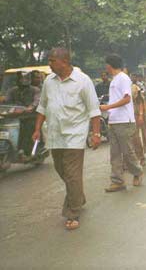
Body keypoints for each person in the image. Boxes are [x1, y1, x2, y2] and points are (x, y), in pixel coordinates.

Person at [32, 47, 101, 230]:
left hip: (75, 136)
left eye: (52, 60)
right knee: (62, 170)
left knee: (71, 174)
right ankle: (78, 196)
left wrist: (95, 134)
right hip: (55, 135)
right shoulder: (49, 81)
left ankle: (73, 213)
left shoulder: (83, 81)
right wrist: (37, 129)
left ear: (64, 61)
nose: (50, 63)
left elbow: (94, 110)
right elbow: (42, 106)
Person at [100, 54, 144, 192]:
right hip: (114, 120)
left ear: (109, 65)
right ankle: (118, 180)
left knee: (127, 151)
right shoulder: (114, 80)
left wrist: (108, 107)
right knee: (115, 153)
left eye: (106, 64)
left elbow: (127, 99)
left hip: (124, 120)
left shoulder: (123, 78)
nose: (105, 67)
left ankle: (137, 172)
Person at [6, 71, 41, 156]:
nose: (22, 80)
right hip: (14, 115)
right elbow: (7, 102)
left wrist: (30, 107)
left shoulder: (35, 90)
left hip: (30, 115)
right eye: (20, 78)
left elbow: (36, 101)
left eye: (24, 78)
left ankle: (24, 150)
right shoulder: (12, 90)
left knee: (27, 127)